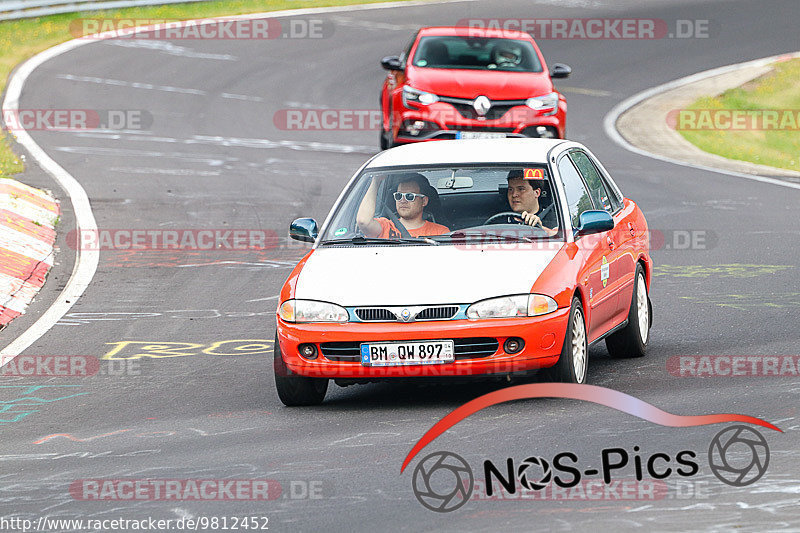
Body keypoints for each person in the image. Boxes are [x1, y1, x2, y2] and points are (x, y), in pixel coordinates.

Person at [356, 173, 449, 238]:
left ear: (424, 201)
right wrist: (376, 181)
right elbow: (363, 222)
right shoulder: (385, 226)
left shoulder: (440, 232)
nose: (403, 201)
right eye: (399, 195)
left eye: (409, 196)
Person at [504, 169, 558, 235]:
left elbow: (562, 238)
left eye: (521, 189)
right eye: (510, 189)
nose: (514, 194)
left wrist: (540, 229)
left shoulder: (556, 219)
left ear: (537, 193)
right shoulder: (498, 220)